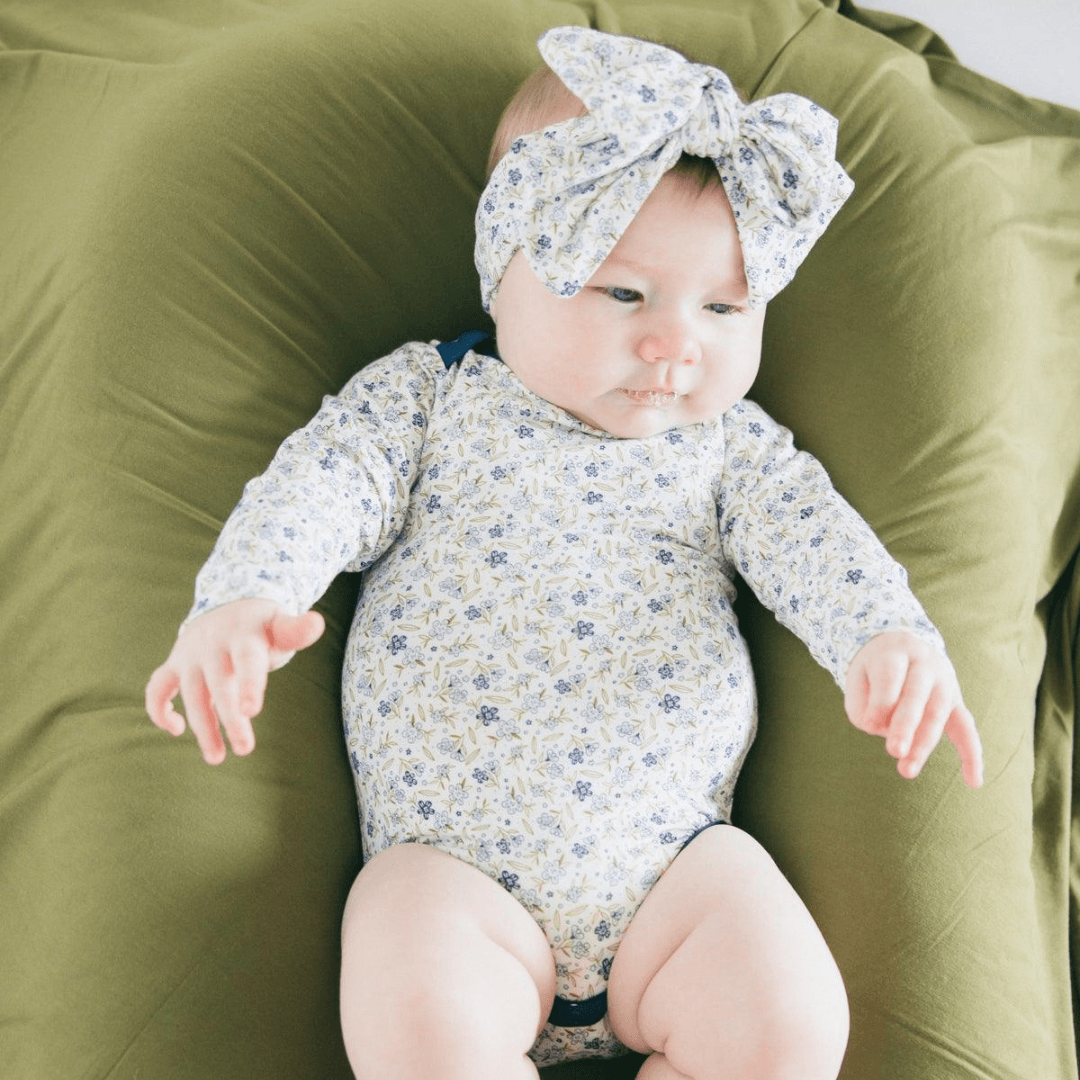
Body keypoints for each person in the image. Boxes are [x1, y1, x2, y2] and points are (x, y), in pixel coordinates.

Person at [145, 26, 983, 1080]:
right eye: (624, 293)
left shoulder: (728, 450)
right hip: (456, 886)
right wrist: (248, 593)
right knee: (415, 1004)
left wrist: (885, 635)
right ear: (504, 269)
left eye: (726, 306)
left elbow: (818, 541)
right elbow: (324, 481)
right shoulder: (432, 401)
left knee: (791, 1026)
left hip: (676, 889)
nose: (677, 343)